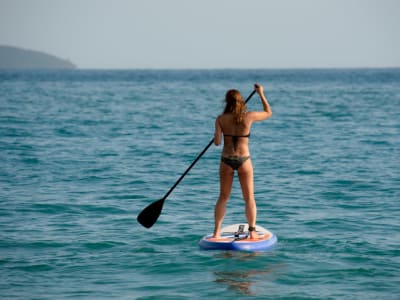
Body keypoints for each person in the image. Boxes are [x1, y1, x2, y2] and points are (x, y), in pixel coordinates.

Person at [213, 84, 272, 239]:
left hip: (226, 160)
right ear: (241, 102)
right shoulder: (249, 116)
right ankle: (252, 233)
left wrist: (219, 131)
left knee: (223, 197)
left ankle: (217, 232)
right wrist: (260, 94)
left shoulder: (220, 119)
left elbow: (217, 143)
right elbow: (268, 113)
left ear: (226, 102)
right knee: (249, 198)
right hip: (244, 160)